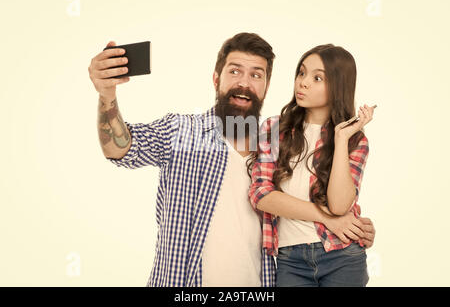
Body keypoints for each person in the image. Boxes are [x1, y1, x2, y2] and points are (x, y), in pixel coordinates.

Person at [88, 33, 376, 287]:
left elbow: (311, 191)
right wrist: (106, 95)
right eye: (235, 71)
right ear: (216, 78)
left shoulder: (279, 139)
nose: (245, 83)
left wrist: (351, 226)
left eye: (256, 75)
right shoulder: (181, 130)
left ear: (266, 85)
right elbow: (118, 148)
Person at [248, 44, 375, 287]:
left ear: (338, 86)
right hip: (290, 260)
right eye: (302, 73)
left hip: (342, 255)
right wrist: (326, 218)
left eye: (317, 78)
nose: (303, 82)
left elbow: (339, 206)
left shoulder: (355, 141)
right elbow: (261, 195)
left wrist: (340, 140)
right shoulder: (273, 129)